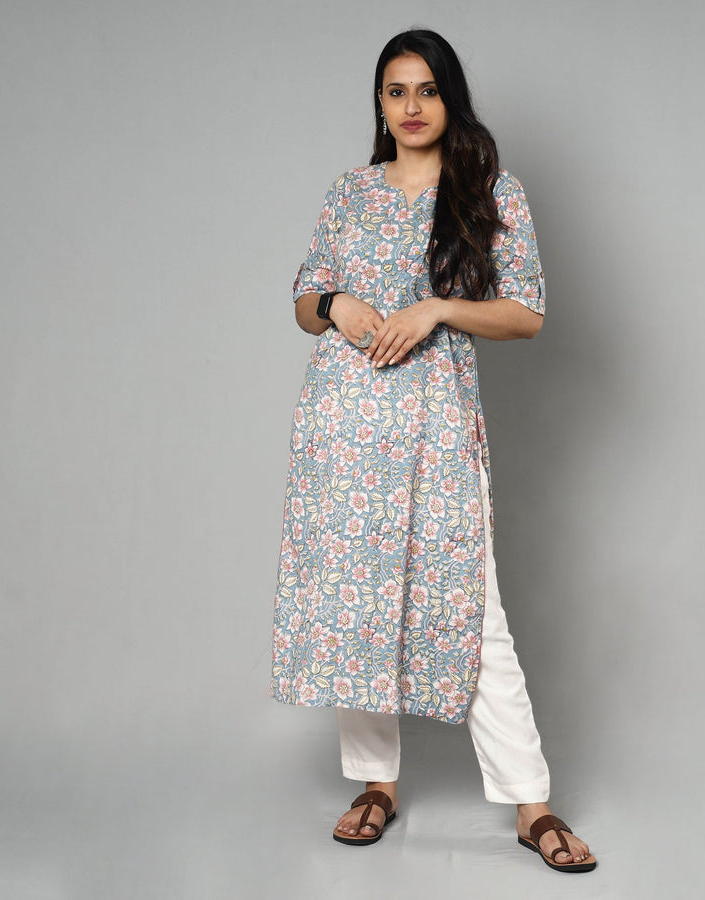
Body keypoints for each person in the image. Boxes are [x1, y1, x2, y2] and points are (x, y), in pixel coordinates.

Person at [271, 28, 596, 873]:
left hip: (437, 426)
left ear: (450, 98)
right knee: (357, 607)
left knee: (472, 612)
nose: (411, 107)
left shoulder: (488, 190)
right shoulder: (350, 192)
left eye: (426, 89)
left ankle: (532, 804)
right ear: (379, 104)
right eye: (395, 91)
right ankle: (374, 786)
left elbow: (526, 312)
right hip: (344, 429)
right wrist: (334, 303)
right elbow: (304, 298)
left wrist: (439, 309)